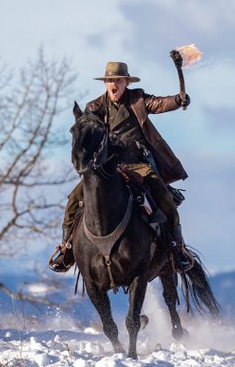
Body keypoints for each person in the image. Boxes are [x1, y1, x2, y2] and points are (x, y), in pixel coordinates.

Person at [48, 61, 194, 273]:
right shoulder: (94, 108)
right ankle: (67, 248)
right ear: (105, 84)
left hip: (137, 164)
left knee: (164, 197)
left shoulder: (138, 99)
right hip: (107, 167)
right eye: (109, 81)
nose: (113, 84)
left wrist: (177, 100)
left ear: (126, 82)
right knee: (73, 199)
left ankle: (176, 247)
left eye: (117, 80)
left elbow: (160, 104)